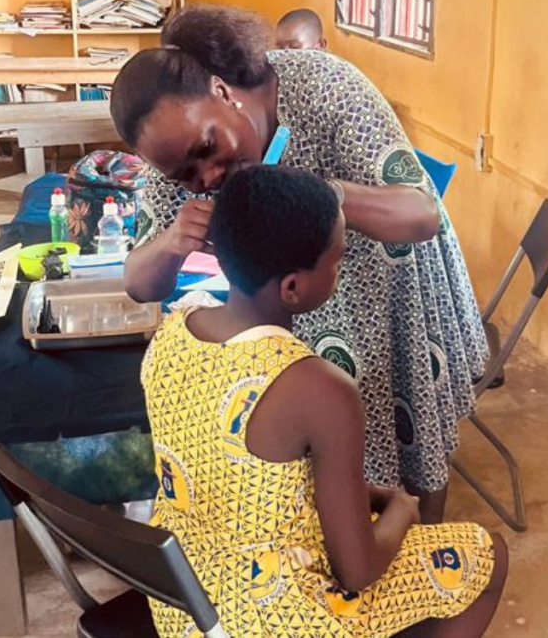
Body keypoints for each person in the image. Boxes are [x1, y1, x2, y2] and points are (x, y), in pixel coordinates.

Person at [111, 4, 488, 524]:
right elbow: (138, 283)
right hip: (295, 315)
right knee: (326, 466)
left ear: (221, 91)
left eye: (210, 149)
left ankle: (421, 559)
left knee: (413, 452)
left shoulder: (326, 89)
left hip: (389, 294)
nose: (210, 174)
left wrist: (318, 196)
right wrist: (173, 241)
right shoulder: (178, 149)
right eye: (186, 175)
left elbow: (421, 214)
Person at [142, 165, 507, 638]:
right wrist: (401, 509)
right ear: (293, 287)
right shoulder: (319, 387)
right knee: (488, 554)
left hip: (182, 603)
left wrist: (369, 495)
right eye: (337, 260)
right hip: (276, 622)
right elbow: (358, 570)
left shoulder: (172, 331)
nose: (339, 268)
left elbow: (246, 471)